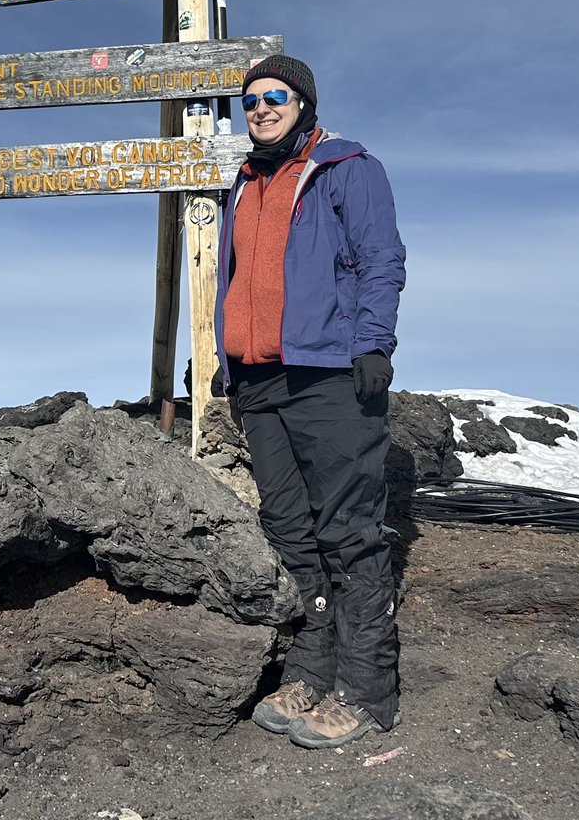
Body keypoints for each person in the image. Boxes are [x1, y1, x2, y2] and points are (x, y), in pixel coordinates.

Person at [215, 54, 405, 750]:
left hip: (328, 374)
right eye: (250, 100)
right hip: (259, 381)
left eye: (275, 96)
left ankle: (366, 690)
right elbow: (238, 278)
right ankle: (311, 669)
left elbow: (381, 258)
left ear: (304, 102)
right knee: (291, 531)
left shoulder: (348, 167)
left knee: (348, 532)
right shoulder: (244, 180)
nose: (261, 107)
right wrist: (227, 360)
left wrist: (372, 346)